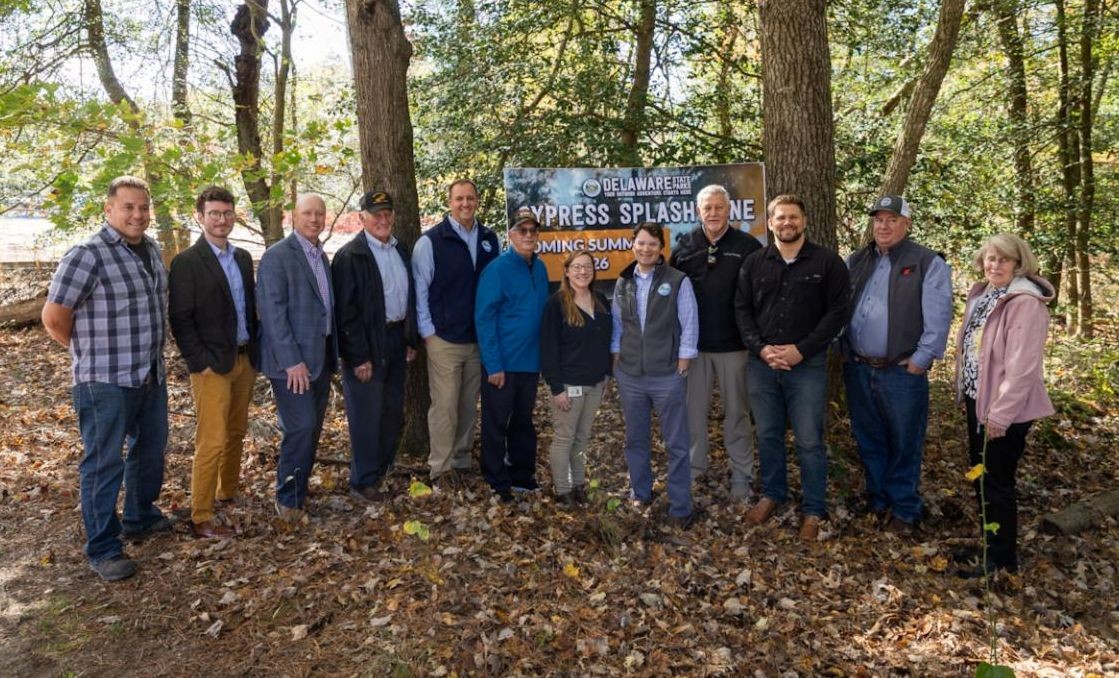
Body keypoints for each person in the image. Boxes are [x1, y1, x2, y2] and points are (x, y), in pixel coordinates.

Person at [42, 175, 171, 581]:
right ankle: (103, 547)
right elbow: (53, 318)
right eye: (129, 207)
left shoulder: (150, 249)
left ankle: (139, 516)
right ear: (109, 209)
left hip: (150, 375)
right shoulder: (87, 255)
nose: (138, 214)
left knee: (150, 451)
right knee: (103, 464)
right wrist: (89, 357)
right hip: (104, 381)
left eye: (143, 207)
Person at [735, 194, 849, 541]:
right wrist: (761, 348)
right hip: (762, 364)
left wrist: (802, 350)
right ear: (769, 223)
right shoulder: (754, 263)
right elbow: (742, 310)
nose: (787, 223)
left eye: (793, 218)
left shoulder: (828, 263)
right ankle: (773, 494)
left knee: (810, 440)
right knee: (768, 434)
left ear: (804, 221)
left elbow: (838, 313)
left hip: (807, 365)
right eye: (780, 218)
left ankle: (813, 510)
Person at [842, 195, 953, 534]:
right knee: (869, 438)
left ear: (907, 224)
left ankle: (905, 509)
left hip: (901, 372)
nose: (884, 226)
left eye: (892, 219)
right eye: (878, 220)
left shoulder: (926, 262)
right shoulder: (856, 260)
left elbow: (940, 316)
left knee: (905, 441)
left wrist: (921, 360)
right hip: (858, 367)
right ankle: (879, 500)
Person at [954, 234, 1054, 577]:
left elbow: (1022, 367)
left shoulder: (1025, 302)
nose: (995, 265)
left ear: (1018, 263)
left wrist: (1001, 414)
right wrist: (966, 393)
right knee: (981, 476)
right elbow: (972, 347)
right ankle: (989, 544)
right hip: (978, 399)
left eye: (1003, 260)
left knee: (997, 481)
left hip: (1004, 409)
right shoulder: (983, 294)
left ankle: (1001, 561)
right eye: (990, 259)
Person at [168, 186, 259, 539]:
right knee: (212, 439)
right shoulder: (187, 262)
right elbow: (180, 318)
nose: (221, 220)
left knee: (237, 431)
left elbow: (248, 309)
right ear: (200, 216)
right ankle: (201, 515)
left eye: (226, 213)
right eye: (214, 214)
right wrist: (199, 361)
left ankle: (227, 492)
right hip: (210, 366)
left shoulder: (241, 258)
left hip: (243, 359)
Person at [669, 184, 762, 501]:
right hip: (694, 349)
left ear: (729, 210)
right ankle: (695, 470)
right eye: (707, 208)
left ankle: (741, 475)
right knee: (693, 414)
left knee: (737, 414)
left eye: (719, 207)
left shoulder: (748, 246)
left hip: (735, 347)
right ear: (698, 211)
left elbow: (757, 297)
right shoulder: (684, 248)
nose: (713, 213)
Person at [412, 179, 500, 485]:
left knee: (466, 404)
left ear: (477, 201)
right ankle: (441, 467)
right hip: (444, 339)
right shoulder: (431, 241)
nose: (465, 203)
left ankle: (462, 460)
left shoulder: (490, 239)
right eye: (459, 198)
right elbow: (420, 289)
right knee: (445, 406)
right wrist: (428, 333)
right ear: (449, 202)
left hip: (478, 338)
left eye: (470, 198)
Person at [331, 190, 418, 503]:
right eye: (376, 214)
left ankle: (381, 473)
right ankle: (363, 481)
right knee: (367, 415)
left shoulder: (401, 250)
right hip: (366, 346)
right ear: (362, 218)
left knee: (391, 412)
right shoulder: (350, 256)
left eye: (387, 214)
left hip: (395, 340)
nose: (383, 220)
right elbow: (345, 312)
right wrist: (358, 356)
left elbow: (408, 298)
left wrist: (409, 339)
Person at [612, 222, 699, 528]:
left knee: (676, 442)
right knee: (636, 439)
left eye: (652, 244)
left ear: (661, 248)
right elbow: (618, 326)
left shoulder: (678, 280)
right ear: (632, 245)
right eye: (641, 243)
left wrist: (683, 363)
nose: (645, 249)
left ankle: (680, 505)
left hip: (667, 375)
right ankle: (641, 493)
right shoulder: (624, 282)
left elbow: (689, 323)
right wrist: (617, 363)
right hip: (631, 375)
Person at [257, 193, 338, 521]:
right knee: (301, 427)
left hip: (319, 359)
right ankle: (287, 500)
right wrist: (292, 361)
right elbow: (272, 314)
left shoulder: (320, 255)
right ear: (293, 215)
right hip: (292, 364)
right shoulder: (277, 257)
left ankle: (298, 492)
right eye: (308, 213)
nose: (315, 219)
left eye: (319, 214)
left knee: (312, 428)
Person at [474, 207, 550, 502]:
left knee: (523, 421)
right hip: (501, 364)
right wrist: (493, 364)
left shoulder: (540, 268)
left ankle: (522, 475)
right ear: (511, 235)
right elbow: (484, 318)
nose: (528, 236)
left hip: (530, 363)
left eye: (533, 231)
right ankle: (495, 479)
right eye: (522, 231)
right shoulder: (497, 269)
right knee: (496, 423)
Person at [540, 250, 613, 508]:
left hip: (595, 383)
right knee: (564, 438)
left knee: (582, 438)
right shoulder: (556, 304)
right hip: (568, 384)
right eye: (577, 267)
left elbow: (605, 342)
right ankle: (563, 490)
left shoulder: (601, 300)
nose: (583, 272)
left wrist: (606, 376)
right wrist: (556, 388)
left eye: (588, 267)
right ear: (567, 272)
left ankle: (579, 485)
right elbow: (548, 349)